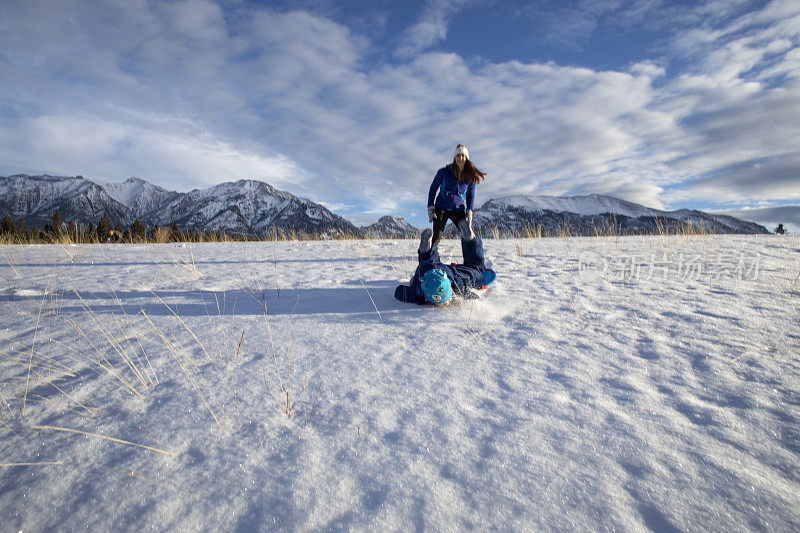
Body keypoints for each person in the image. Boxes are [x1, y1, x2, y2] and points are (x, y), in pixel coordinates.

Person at [394, 228, 495, 306]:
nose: (448, 303)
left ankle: (471, 241)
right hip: (425, 272)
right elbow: (399, 292)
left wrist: (471, 296)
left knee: (476, 268)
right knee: (429, 261)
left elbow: (464, 290)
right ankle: (427, 251)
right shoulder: (417, 293)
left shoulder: (455, 284)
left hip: (442, 273)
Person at [427, 144, 486, 246]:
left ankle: (472, 255)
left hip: (458, 210)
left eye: (463, 156)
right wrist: (431, 207)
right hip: (441, 208)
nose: (460, 158)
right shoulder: (444, 172)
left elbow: (470, 196)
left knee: (468, 234)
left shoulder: (470, 177)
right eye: (458, 155)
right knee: (437, 236)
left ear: (466, 158)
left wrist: (469, 211)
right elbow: (433, 188)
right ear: (455, 157)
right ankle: (431, 256)